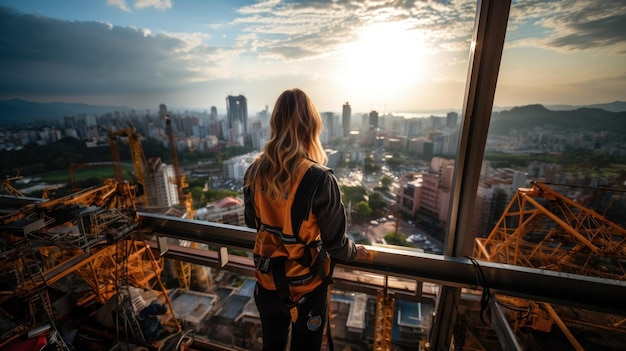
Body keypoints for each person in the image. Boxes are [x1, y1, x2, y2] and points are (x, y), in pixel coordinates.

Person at [244, 88, 369, 351]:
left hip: (266, 281)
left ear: (274, 123)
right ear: (311, 126)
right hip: (306, 288)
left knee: (272, 346)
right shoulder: (319, 179)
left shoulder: (254, 172)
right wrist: (357, 252)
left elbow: (251, 221)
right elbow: (336, 243)